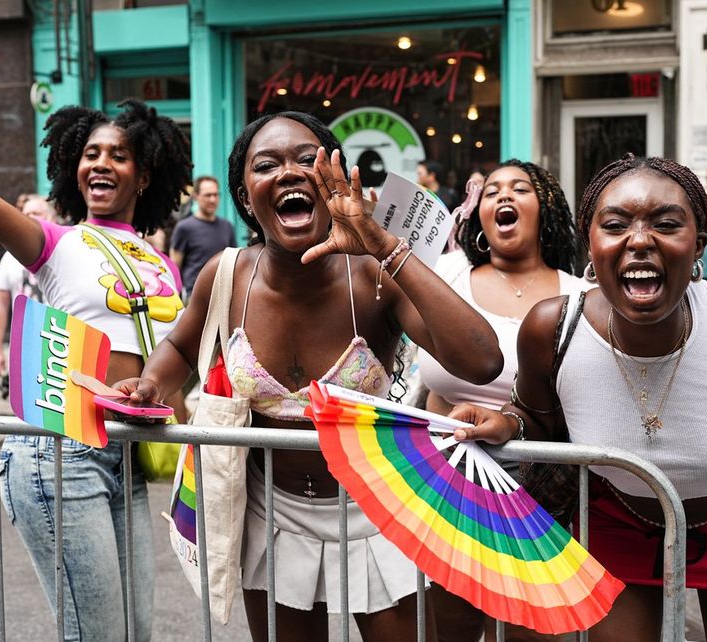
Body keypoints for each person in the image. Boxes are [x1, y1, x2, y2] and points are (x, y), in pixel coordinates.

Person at [116, 111, 502, 642]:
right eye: (266, 164)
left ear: (337, 181)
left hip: (374, 511)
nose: (289, 172)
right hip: (270, 514)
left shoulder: (373, 277)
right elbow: (182, 342)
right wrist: (153, 384)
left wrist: (385, 246)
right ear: (246, 195)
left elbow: (482, 360)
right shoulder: (227, 273)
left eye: (307, 160)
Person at [450, 154, 707, 641]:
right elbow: (533, 417)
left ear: (698, 247)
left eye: (667, 225)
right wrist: (505, 424)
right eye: (616, 225)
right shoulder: (551, 327)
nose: (641, 241)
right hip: (618, 520)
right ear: (591, 243)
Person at [0, 98, 190, 640]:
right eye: (89, 153)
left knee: (135, 633)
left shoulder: (162, 263)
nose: (99, 163)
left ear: (144, 174)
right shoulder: (53, 242)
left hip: (126, 458)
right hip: (59, 451)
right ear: (73, 170)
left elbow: (174, 360)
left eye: (118, 155)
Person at [418, 159, 586, 642]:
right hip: (447, 484)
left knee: (528, 631)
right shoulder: (446, 273)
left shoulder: (581, 295)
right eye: (492, 192)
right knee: (450, 628)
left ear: (545, 208)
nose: (503, 197)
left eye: (520, 189)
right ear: (478, 213)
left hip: (542, 491)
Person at [0, 195, 59, 376]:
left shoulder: (66, 249)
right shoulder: (10, 256)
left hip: (62, 349)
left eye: (36, 213)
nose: (30, 218)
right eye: (25, 214)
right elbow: (0, 303)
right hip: (25, 351)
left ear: (52, 219)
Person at [169, 175, 237, 298]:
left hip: (223, 296)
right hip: (194, 297)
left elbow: (234, 264)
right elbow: (175, 266)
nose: (212, 199)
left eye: (216, 195)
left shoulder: (227, 227)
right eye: (208, 195)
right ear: (196, 196)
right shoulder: (184, 227)